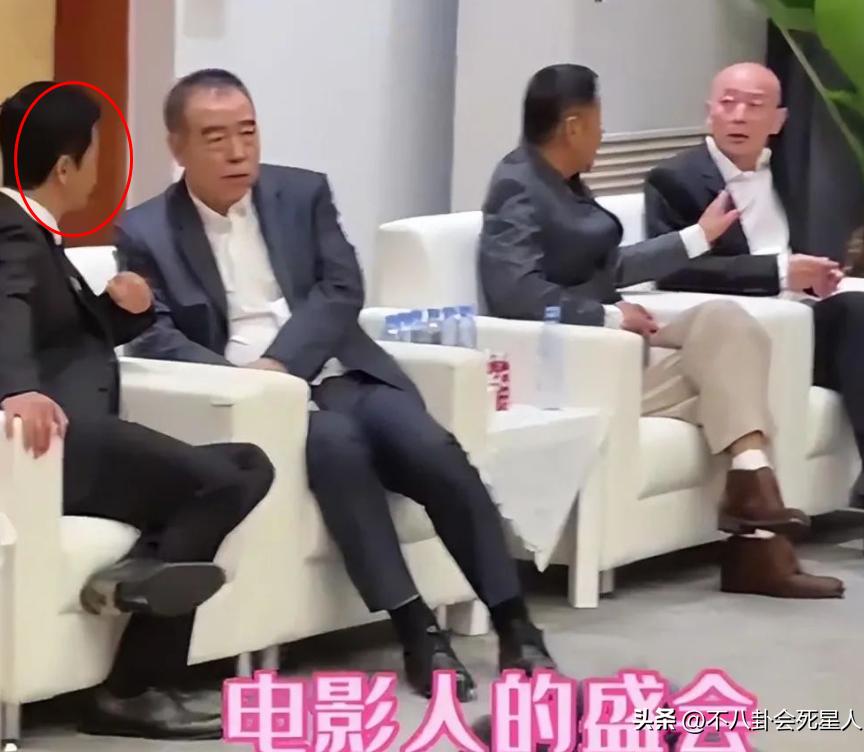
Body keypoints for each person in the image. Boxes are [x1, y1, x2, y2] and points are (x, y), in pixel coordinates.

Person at [115, 68, 554, 702]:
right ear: (177, 147)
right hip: (262, 408)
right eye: (216, 138)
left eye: (248, 132)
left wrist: (282, 362)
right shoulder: (145, 232)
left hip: (339, 373)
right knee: (336, 450)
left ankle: (516, 626)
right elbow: (153, 335)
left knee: (432, 448)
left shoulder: (303, 193)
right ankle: (418, 632)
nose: (238, 152)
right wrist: (252, 386)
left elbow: (342, 287)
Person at [478, 63, 844, 599]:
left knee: (726, 326)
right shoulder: (518, 185)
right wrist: (609, 317)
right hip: (576, 365)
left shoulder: (562, 183)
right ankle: (760, 542)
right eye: (598, 121)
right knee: (733, 383)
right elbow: (514, 292)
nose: (603, 133)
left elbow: (607, 266)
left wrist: (698, 237)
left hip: (616, 351)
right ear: (574, 126)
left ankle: (752, 490)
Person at [0, 82, 275, 740]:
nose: (102, 169)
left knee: (247, 464)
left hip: (82, 434)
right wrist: (15, 388)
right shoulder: (11, 230)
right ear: (65, 166)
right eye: (96, 154)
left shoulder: (35, 232)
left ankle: (136, 574)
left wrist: (124, 311)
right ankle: (135, 688)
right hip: (58, 445)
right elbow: (5, 307)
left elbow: (61, 337)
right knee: (219, 482)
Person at [644, 62, 864, 559]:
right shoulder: (674, 180)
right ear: (708, 112)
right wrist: (777, 273)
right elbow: (676, 270)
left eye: (754, 106)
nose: (738, 116)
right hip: (738, 336)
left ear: (778, 120)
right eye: (728, 103)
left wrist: (814, 275)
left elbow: (802, 255)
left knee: (860, 311)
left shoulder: (791, 178)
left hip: (799, 325)